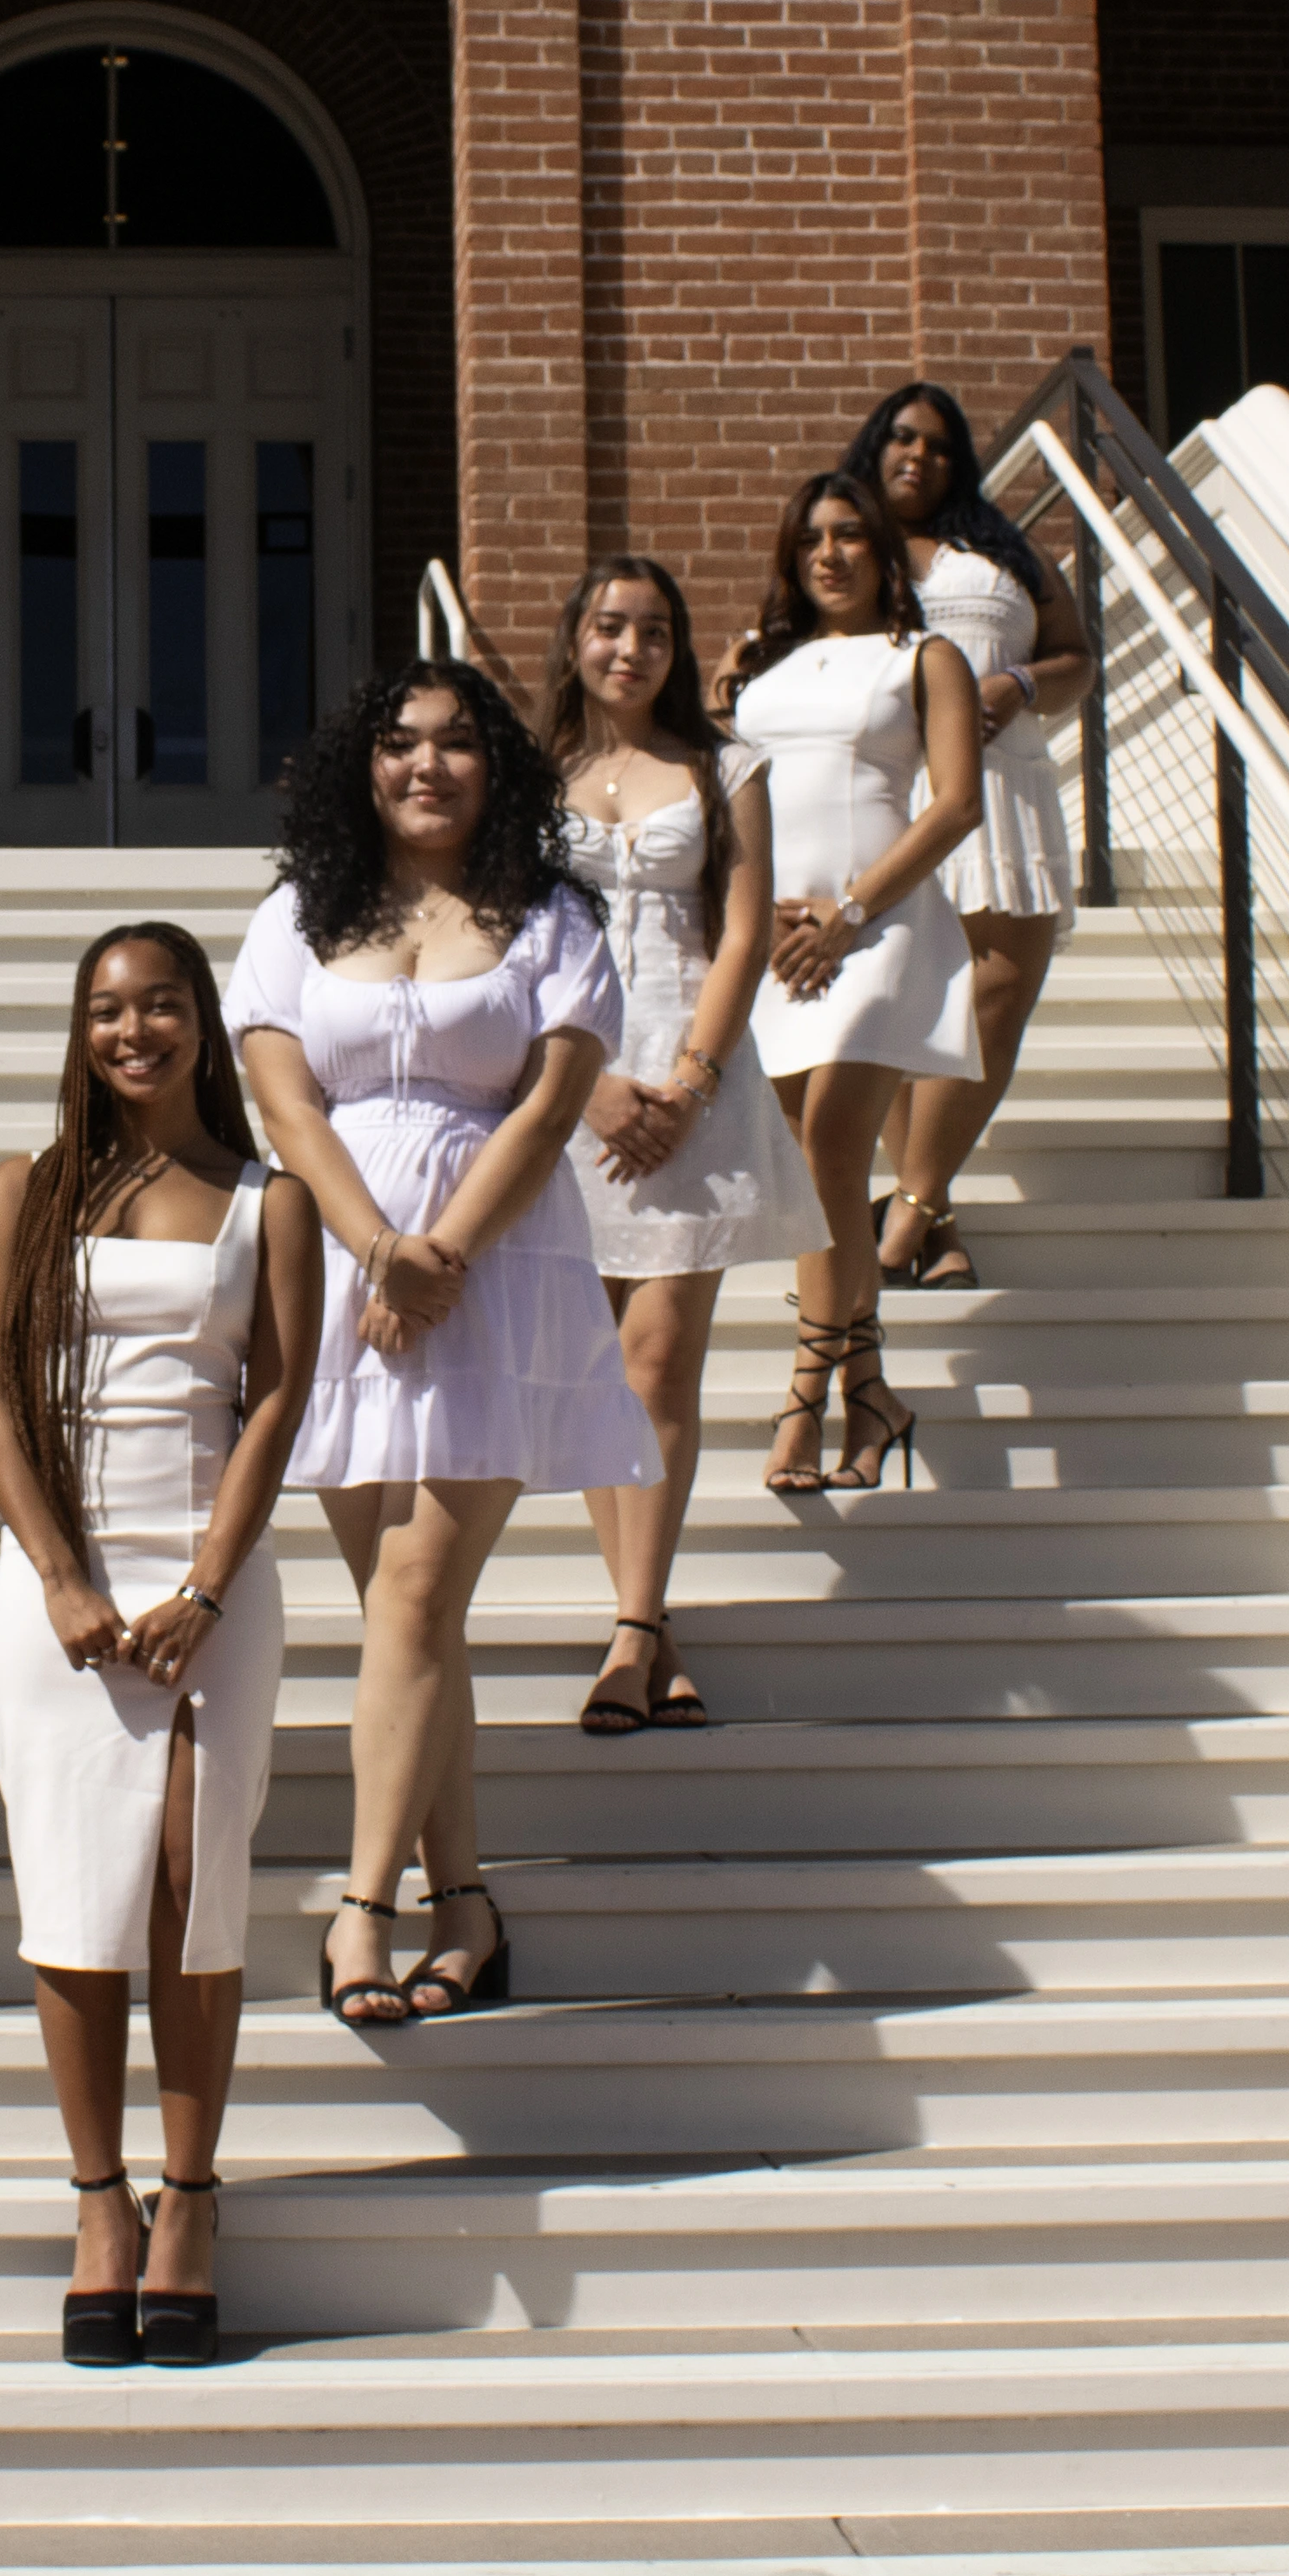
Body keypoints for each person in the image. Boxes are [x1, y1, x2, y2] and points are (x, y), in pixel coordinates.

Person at [230, 659, 658, 2032]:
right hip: (344, 1265)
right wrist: (374, 1253)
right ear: (365, 766)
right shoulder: (301, 912)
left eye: (460, 743)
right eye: (401, 744)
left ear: (500, 767)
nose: (428, 765)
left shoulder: (552, 914)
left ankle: (362, 1909)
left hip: (497, 1267)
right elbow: (285, 1103)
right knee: (410, 1619)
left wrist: (441, 1262)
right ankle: (465, 1899)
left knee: (414, 1600)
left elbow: (546, 1109)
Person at [0, 922, 315, 2367]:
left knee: (191, 1887)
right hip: (61, 1583)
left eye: (161, 1005)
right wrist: (56, 1575)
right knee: (74, 1894)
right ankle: (98, 2203)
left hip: (207, 1585)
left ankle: (191, 2200)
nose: (133, 1032)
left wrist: (211, 1588)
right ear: (79, 1031)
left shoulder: (267, 1199)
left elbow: (277, 1402)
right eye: (107, 1010)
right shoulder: (28, 1192)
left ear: (201, 1022)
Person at [545, 557, 818, 1733]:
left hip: (692, 1070)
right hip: (572, 1085)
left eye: (654, 630)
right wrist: (592, 1091)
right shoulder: (530, 778)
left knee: (658, 1359)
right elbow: (510, 940)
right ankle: (647, 1622)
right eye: (609, 626)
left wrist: (692, 1081)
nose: (631, 648)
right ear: (576, 641)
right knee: (598, 1368)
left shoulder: (725, 767)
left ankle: (633, 1632)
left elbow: (747, 926)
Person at [722, 470, 984, 1500]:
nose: (829, 554)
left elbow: (955, 805)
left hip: (880, 932)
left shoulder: (926, 658)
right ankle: (873, 1392)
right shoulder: (757, 670)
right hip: (784, 942)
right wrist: (764, 909)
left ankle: (805, 1396)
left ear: (883, 550)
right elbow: (731, 794)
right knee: (810, 1179)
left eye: (849, 537)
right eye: (810, 540)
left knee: (832, 1144)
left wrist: (851, 914)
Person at [851, 379, 1092, 1296]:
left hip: (1005, 789)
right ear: (876, 446)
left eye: (942, 446)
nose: (921, 457)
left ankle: (907, 1207)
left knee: (997, 995)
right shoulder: (847, 542)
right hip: (893, 793)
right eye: (904, 439)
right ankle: (931, 1219)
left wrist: (1021, 685)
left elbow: (1076, 656)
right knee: (895, 1007)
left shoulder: (1002, 547)